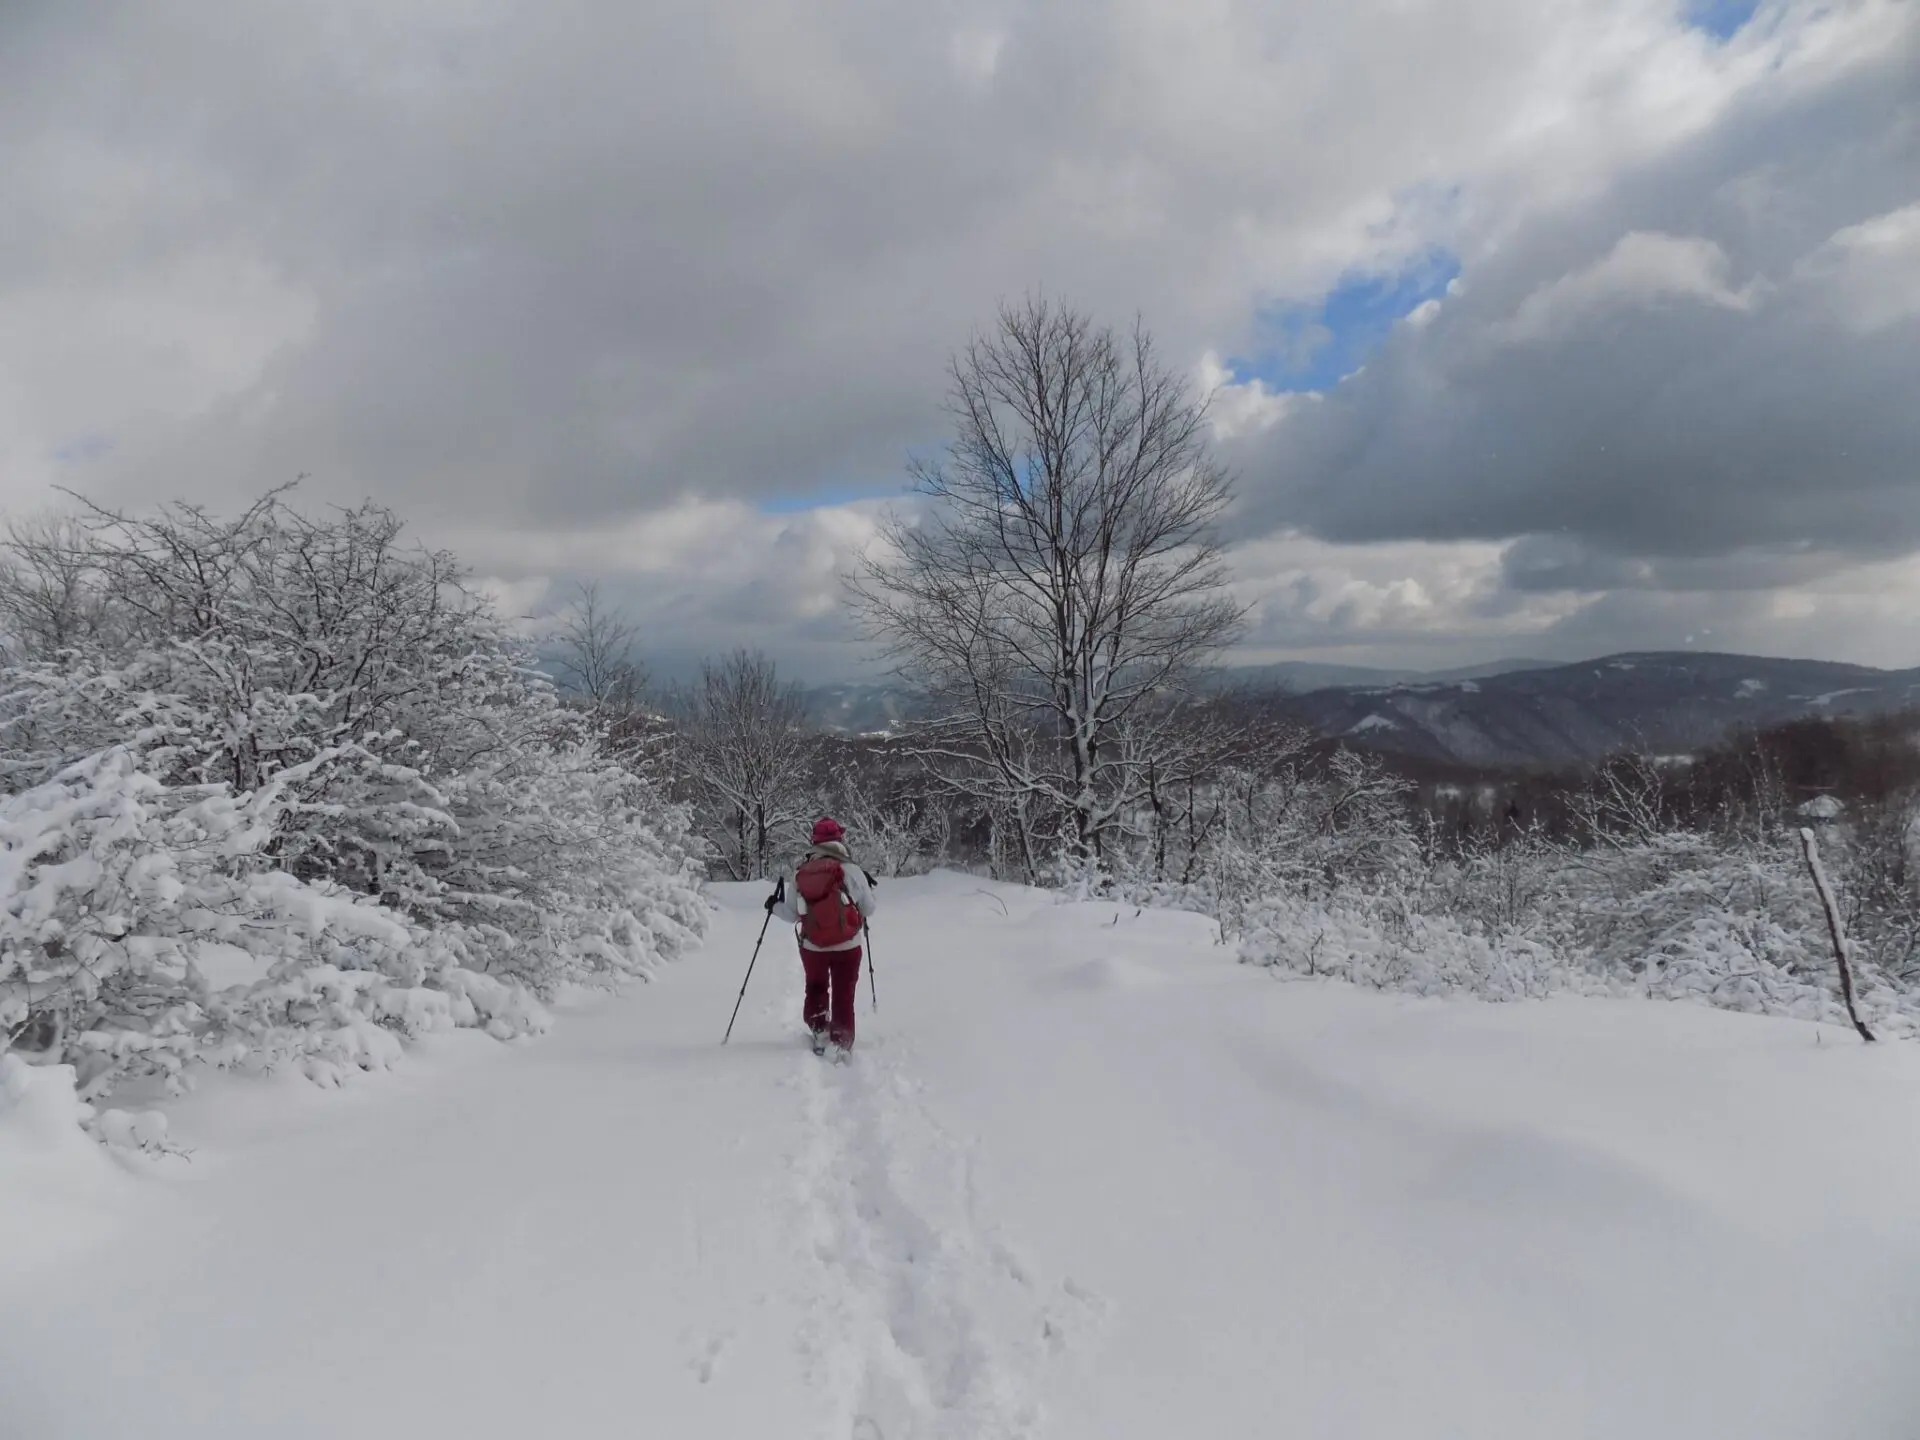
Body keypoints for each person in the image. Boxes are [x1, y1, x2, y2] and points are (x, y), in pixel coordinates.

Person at [766, 816, 877, 1058]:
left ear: (814, 842)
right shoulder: (854, 871)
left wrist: (773, 906)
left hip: (813, 946)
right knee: (844, 991)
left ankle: (819, 1030)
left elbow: (792, 914)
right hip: (849, 946)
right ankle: (842, 1040)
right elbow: (868, 909)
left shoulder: (802, 874)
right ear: (840, 839)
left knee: (816, 987)